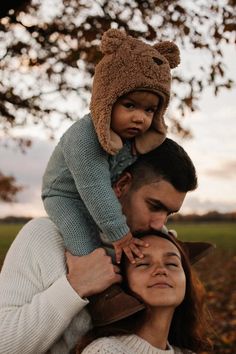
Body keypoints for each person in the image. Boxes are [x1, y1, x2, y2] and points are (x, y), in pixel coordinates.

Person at [0, 138, 205, 353]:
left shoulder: (154, 244)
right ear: (122, 185)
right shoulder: (45, 236)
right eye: (154, 206)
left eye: (169, 213)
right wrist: (74, 286)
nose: (159, 224)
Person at [41, 28, 181, 324]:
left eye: (149, 109)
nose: (140, 118)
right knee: (85, 243)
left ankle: (139, 274)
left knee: (126, 229)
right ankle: (102, 299)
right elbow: (94, 189)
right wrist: (120, 234)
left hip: (104, 192)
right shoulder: (84, 137)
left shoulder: (133, 140)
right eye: (129, 105)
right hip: (66, 195)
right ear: (106, 100)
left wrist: (151, 233)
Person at [75, 229, 213, 354]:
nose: (161, 270)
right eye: (143, 264)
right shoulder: (105, 350)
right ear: (123, 281)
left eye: (172, 263)